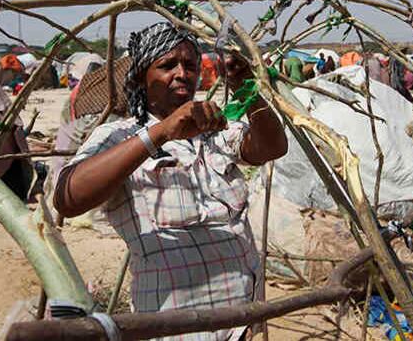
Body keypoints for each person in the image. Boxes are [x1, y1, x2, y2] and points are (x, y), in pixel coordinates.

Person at [53, 22, 287, 341]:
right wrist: (161, 132)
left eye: (190, 65)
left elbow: (271, 147)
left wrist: (248, 86)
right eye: (167, 65)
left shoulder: (214, 126)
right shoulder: (119, 136)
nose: (182, 73)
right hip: (175, 326)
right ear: (140, 78)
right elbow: (68, 198)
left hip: (241, 317)